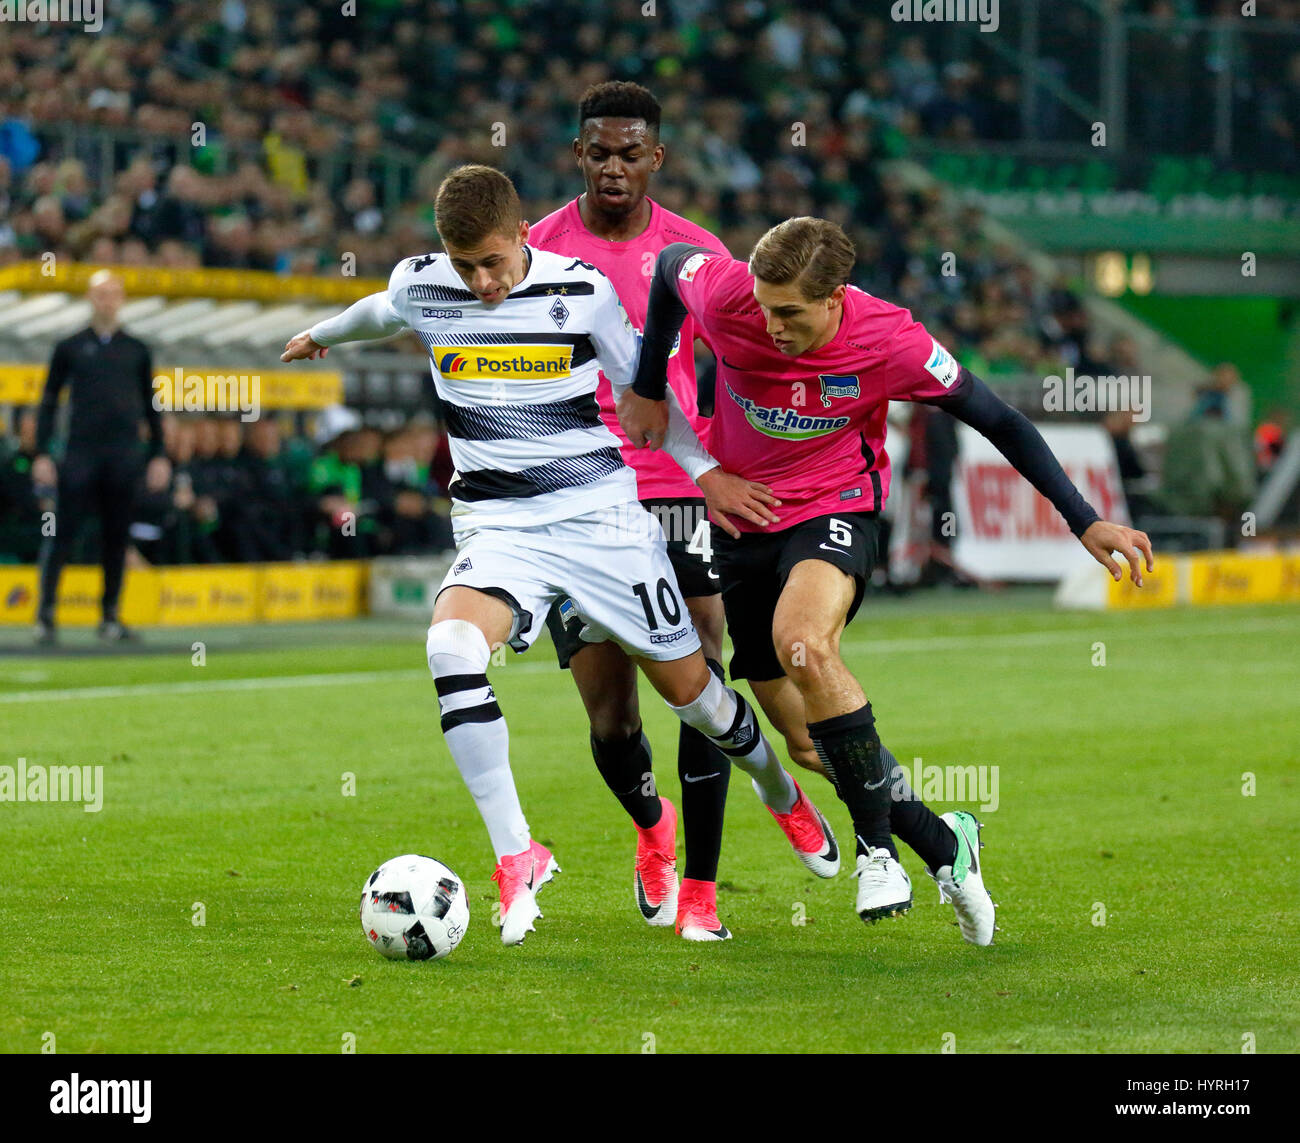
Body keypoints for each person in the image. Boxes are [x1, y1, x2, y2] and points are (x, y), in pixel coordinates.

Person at [281, 165, 838, 947]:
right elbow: (381, 308)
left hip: (602, 522)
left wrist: (707, 474)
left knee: (698, 699)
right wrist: (322, 335)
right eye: (464, 264)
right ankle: (519, 855)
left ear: (521, 237)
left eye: (494, 263)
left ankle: (782, 792)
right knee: (448, 645)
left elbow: (648, 403)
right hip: (500, 528)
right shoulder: (425, 285)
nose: (481, 282)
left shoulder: (581, 291)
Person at [619, 218, 1154, 944]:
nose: (770, 326)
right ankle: (945, 843)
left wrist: (1083, 518)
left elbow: (1000, 419)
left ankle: (879, 854)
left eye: (791, 314)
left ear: (836, 297)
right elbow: (669, 268)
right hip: (745, 517)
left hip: (837, 504)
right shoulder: (727, 295)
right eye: (764, 306)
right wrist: (649, 386)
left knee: (803, 642)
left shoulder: (892, 340)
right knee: (808, 743)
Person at [526, 81, 749, 940]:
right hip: (577, 497)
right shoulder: (534, 247)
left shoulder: (698, 254)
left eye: (631, 152)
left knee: (705, 677)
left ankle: (701, 887)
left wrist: (731, 468)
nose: (613, 166)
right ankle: (650, 825)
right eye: (598, 151)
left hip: (676, 492)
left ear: (656, 158)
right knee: (612, 714)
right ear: (578, 154)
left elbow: (733, 369)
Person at [33, 270, 170, 643]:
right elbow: (48, 401)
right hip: (80, 453)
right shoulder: (70, 347)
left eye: (113, 294)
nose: (107, 300)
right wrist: (43, 452)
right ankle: (45, 614)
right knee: (63, 532)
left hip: (123, 455)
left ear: (122, 298)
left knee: (116, 535)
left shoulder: (137, 349)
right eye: (100, 294)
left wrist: (159, 454)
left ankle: (109, 615)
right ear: (90, 298)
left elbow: (151, 406)